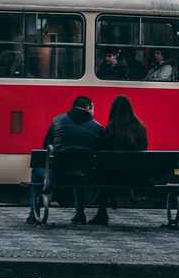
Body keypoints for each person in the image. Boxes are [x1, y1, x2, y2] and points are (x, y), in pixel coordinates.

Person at [28, 95, 103, 225]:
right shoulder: (97, 127)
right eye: (93, 108)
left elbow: (46, 144)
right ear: (88, 107)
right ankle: (80, 214)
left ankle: (33, 214)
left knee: (36, 171)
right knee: (79, 170)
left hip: (57, 173)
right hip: (84, 174)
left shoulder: (57, 120)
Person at [90, 95, 148, 225]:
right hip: (135, 176)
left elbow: (101, 153)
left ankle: (102, 213)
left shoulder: (110, 129)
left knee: (103, 172)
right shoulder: (140, 128)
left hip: (112, 176)